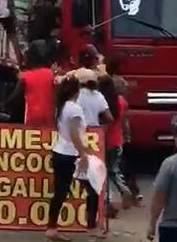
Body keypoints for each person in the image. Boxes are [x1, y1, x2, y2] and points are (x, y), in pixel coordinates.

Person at [47, 75, 104, 241]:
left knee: (61, 192)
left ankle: (52, 228)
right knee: (91, 188)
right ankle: (91, 228)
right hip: (71, 155)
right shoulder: (74, 109)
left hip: (61, 151)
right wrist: (83, 154)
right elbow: (74, 133)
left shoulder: (62, 106)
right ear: (76, 91)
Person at [99, 75, 134, 212]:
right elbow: (125, 123)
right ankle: (124, 189)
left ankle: (108, 201)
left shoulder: (102, 102)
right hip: (117, 140)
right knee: (114, 170)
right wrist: (127, 136)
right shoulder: (121, 102)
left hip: (103, 140)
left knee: (104, 172)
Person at [6, 40, 55, 127]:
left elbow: (15, 98)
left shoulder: (26, 76)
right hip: (50, 119)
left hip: (32, 119)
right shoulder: (52, 74)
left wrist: (5, 104)